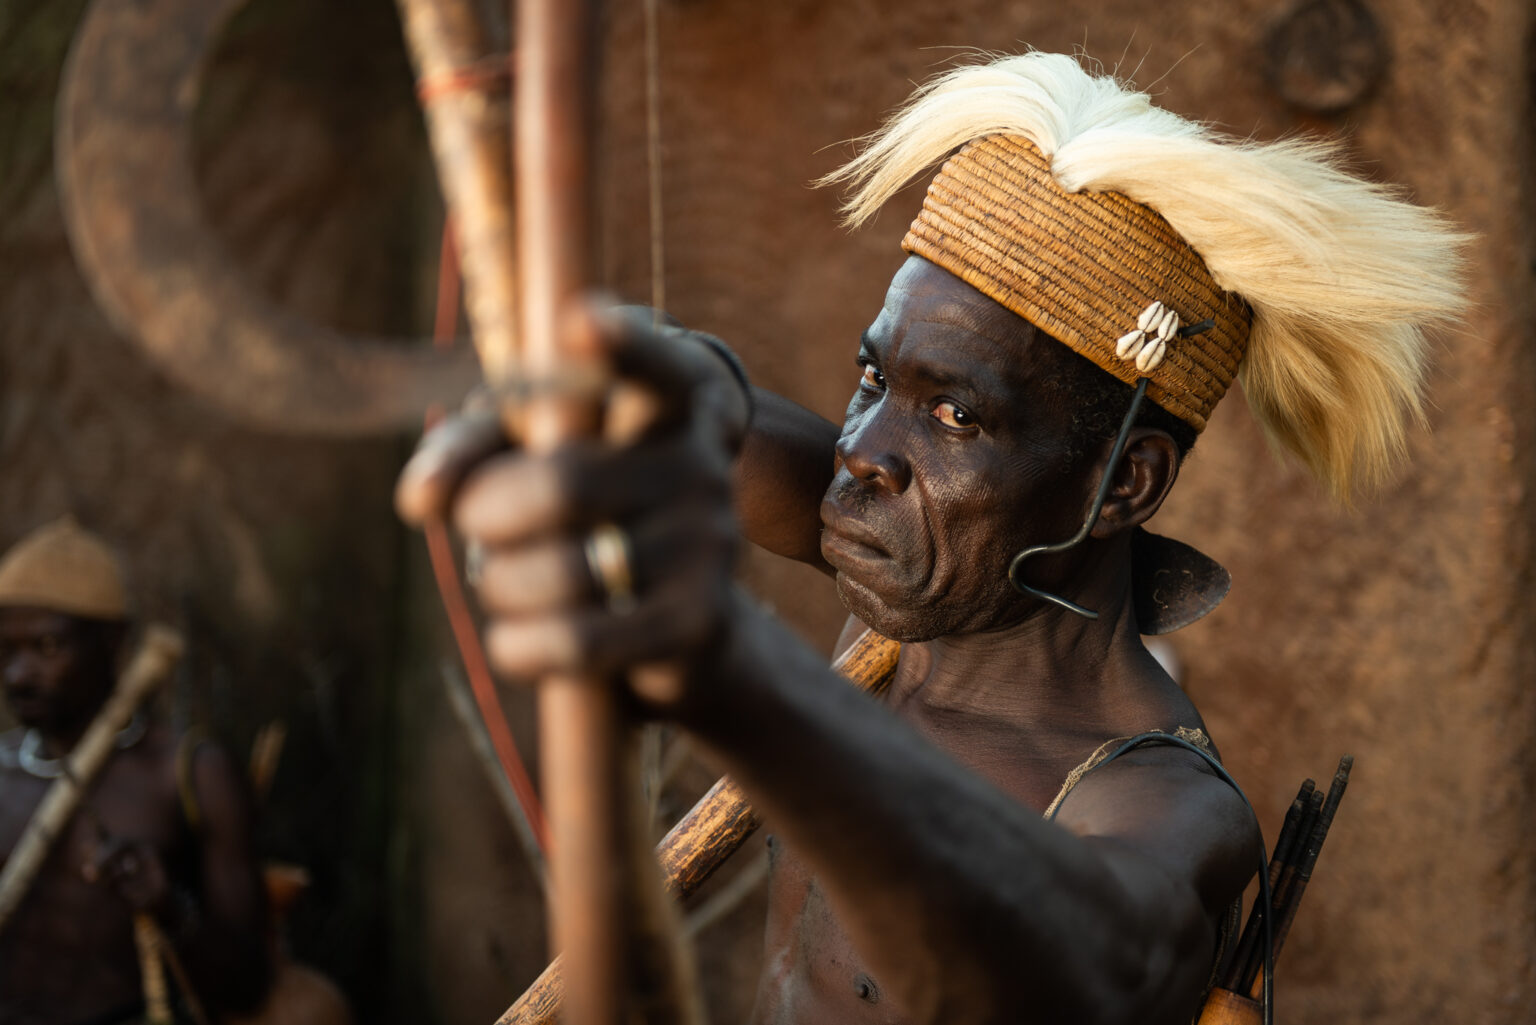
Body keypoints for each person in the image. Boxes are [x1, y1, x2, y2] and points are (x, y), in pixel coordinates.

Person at [396, 53, 1465, 1024]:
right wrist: (655, 380)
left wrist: (727, 664)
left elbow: (1090, 957)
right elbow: (693, 419)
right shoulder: (925, 561)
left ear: (1121, 482)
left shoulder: (1160, 805)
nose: (865, 449)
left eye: (956, 414)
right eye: (875, 378)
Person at [0, 517, 271, 1024]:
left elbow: (248, 985)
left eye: (47, 648)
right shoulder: (1, 771)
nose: (18, 675)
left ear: (112, 643)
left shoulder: (188, 777)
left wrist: (169, 907)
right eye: (6, 650)